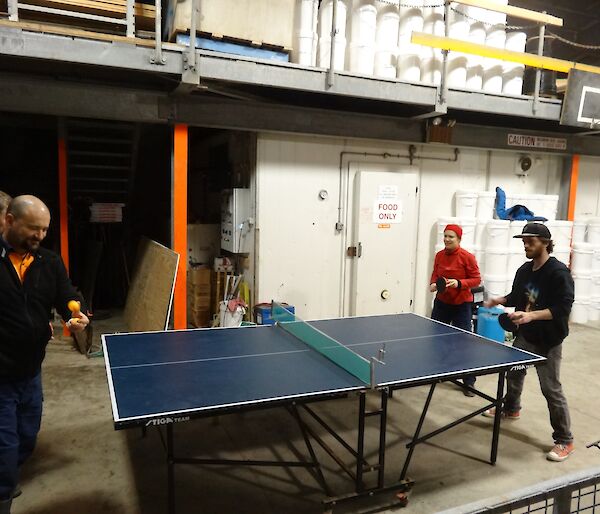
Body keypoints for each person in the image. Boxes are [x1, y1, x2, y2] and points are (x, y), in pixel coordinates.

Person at [0, 195, 89, 514]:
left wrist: (76, 316)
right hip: (1, 375)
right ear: (10, 221)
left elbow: (67, 295)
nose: (39, 236)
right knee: (6, 446)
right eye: (33, 228)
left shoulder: (49, 262)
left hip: (31, 369)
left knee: (27, 435)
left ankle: (8, 475)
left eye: (44, 230)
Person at [483, 222, 575, 462]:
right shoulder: (524, 270)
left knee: (551, 389)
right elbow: (516, 296)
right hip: (525, 335)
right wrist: (498, 300)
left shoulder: (558, 272)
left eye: (530, 241)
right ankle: (511, 408)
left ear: (545, 242)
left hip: (548, 340)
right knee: (514, 374)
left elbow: (563, 307)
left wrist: (531, 315)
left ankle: (565, 440)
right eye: (524, 241)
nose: (526, 245)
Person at [429, 224, 482, 396]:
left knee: (463, 343)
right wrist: (433, 283)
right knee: (438, 340)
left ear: (459, 239)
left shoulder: (467, 257)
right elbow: (435, 274)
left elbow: (476, 280)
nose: (446, 239)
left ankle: (469, 382)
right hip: (442, 304)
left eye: (451, 236)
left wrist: (459, 283)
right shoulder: (439, 255)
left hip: (461, 305)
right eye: (445, 236)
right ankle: (441, 372)